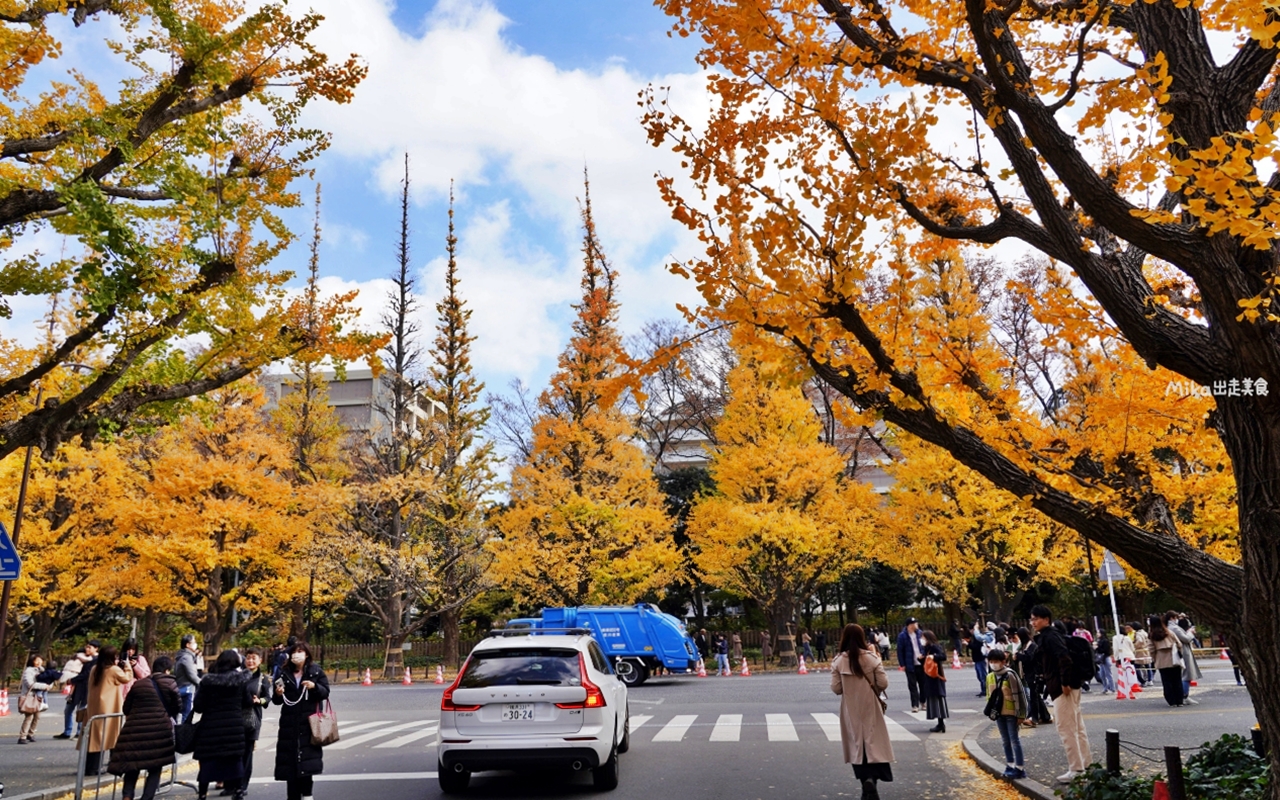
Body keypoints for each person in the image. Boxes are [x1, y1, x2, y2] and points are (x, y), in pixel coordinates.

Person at [830, 624, 893, 800]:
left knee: (857, 746)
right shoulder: (872, 658)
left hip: (850, 708)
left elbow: (836, 688)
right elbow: (883, 683)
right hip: (870, 705)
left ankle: (865, 780)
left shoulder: (838, 661)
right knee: (874, 744)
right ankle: (873, 779)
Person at [1030, 605, 1089, 783]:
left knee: (1066, 728)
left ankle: (1077, 768)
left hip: (1063, 688)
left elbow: (1064, 658)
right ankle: (1085, 765)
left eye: (1036, 619)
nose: (1033, 622)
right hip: (1069, 686)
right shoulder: (1050, 635)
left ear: (1046, 619)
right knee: (1077, 727)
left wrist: (1064, 682)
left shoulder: (1050, 636)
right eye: (1032, 619)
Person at [109, 655, 179, 800]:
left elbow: (126, 707)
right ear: (167, 670)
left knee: (132, 764)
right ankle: (147, 797)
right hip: (159, 731)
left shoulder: (139, 684)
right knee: (155, 766)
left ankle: (127, 796)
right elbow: (178, 707)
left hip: (134, 729)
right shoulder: (170, 683)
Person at [273, 642, 330, 800]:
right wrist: (278, 693)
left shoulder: (315, 671)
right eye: (294, 652)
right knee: (290, 763)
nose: (296, 655)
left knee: (306, 763)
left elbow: (325, 692)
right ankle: (292, 796)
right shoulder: (284, 673)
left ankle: (307, 795)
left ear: (307, 655)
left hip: (309, 724)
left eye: (300, 652)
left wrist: (314, 687)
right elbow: (276, 700)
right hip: (289, 724)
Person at [193, 651, 251, 800]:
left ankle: (202, 794)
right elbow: (247, 702)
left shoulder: (207, 681)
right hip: (234, 726)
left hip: (210, 727)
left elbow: (198, 706)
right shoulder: (241, 680)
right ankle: (238, 790)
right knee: (235, 759)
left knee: (207, 761)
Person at [85, 644, 134, 774]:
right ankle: (112, 764)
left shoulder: (95, 668)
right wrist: (127, 666)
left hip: (94, 707)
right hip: (109, 707)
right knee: (112, 735)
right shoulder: (113, 670)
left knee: (95, 738)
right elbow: (126, 679)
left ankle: (91, 767)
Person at [985, 648, 1027, 780]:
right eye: (991, 661)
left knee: (1014, 740)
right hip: (998, 713)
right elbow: (989, 696)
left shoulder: (1010, 675)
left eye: (996, 661)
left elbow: (1020, 695)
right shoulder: (990, 676)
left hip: (1011, 713)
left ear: (1003, 661)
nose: (993, 664)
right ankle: (1010, 765)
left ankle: (1019, 768)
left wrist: (1021, 714)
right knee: (1005, 741)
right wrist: (990, 712)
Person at [242, 648, 273, 793]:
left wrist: (259, 700)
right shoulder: (238, 676)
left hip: (252, 719)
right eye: (248, 658)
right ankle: (232, 784)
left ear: (260, 660)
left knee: (247, 752)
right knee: (235, 752)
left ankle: (243, 785)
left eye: (254, 658)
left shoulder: (263, 679)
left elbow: (268, 699)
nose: (250, 661)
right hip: (236, 718)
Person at [1148, 614, 1182, 707]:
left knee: (1167, 681)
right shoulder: (1169, 632)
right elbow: (1179, 644)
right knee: (1177, 680)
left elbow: (1151, 649)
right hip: (1173, 658)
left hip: (1161, 659)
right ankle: (1179, 700)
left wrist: (1154, 658)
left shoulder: (1152, 635)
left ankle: (1172, 701)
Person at [18, 655, 52, 744]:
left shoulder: (42, 670)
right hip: (30, 696)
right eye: (37, 660)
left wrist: (48, 686)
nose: (39, 662)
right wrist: (44, 686)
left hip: (38, 697)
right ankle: (22, 736)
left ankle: (31, 734)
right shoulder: (28, 671)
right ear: (32, 661)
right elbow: (30, 684)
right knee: (29, 717)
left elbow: (49, 681)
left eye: (41, 660)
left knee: (37, 716)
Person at [1168, 614, 1201, 704]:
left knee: (1178, 676)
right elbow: (1186, 639)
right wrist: (1190, 632)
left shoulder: (1168, 627)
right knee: (1187, 675)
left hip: (1175, 653)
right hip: (1183, 651)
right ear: (1172, 618)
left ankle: (1180, 696)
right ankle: (1184, 696)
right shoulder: (1174, 628)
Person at [920, 630, 949, 733]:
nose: (921, 640)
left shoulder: (934, 647)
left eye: (923, 637)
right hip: (931, 676)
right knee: (935, 698)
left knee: (937, 698)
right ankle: (940, 723)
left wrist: (934, 656)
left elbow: (943, 656)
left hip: (935, 676)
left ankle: (941, 723)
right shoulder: (927, 648)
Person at [895, 617, 925, 713]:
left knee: (923, 684)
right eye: (914, 623)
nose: (916, 625)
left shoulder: (920, 634)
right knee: (912, 685)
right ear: (910, 625)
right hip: (910, 664)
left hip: (921, 663)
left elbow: (924, 646)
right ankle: (915, 705)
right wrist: (902, 664)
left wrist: (923, 655)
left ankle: (923, 702)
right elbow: (900, 651)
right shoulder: (902, 636)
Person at [175, 635, 201, 722]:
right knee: (187, 714)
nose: (195, 644)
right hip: (187, 688)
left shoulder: (184, 656)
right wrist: (202, 683)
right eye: (194, 642)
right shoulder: (187, 657)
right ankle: (184, 732)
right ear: (188, 645)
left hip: (182, 686)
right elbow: (191, 675)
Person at [969, 625, 991, 697]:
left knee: (982, 675)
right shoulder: (975, 638)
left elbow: (976, 647)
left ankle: (985, 690)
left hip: (980, 658)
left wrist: (968, 645)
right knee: (980, 675)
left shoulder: (979, 639)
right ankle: (983, 689)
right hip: (977, 659)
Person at [1131, 621, 1152, 686]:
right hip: (1146, 650)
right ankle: (1150, 680)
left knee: (1136, 667)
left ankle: (1142, 681)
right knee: (1148, 666)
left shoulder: (1138, 634)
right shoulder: (1144, 632)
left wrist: (1134, 645)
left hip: (1140, 651)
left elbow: (1139, 641)